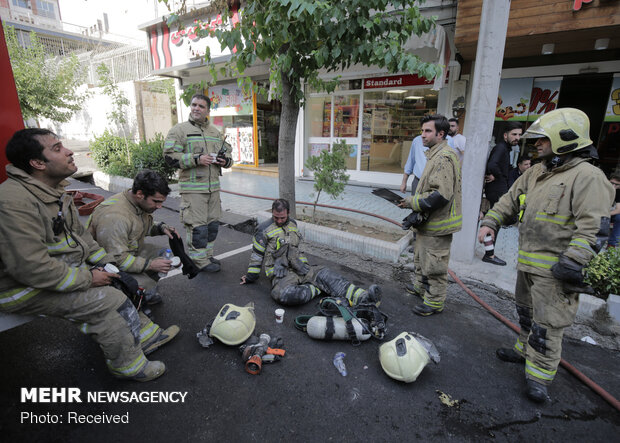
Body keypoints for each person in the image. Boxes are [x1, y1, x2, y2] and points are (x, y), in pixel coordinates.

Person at [0, 129, 179, 382]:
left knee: (118, 282)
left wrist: (106, 267)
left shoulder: (54, 193)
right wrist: (88, 278)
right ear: (37, 163)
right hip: (21, 287)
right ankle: (128, 365)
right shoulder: (14, 202)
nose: (69, 151)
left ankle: (147, 336)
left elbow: (82, 239)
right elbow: (30, 269)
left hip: (60, 270)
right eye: (57, 148)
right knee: (107, 300)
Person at [477, 108, 614, 403]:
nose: (536, 144)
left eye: (542, 139)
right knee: (526, 314)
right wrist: (490, 221)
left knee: (547, 325)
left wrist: (574, 262)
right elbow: (509, 200)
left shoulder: (588, 177)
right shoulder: (538, 172)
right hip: (528, 263)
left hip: (557, 271)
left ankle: (539, 376)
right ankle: (524, 351)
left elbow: (594, 228)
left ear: (565, 139)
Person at [240, 199, 381, 306]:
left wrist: (303, 265)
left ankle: (364, 297)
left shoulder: (293, 224)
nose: (279, 220)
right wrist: (251, 277)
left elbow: (296, 248)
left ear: (288, 213)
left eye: (282, 217)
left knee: (328, 275)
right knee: (282, 295)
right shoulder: (263, 229)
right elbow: (256, 256)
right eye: (276, 217)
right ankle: (317, 288)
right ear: (272, 213)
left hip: (301, 268)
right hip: (282, 274)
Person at [398, 115, 462, 317]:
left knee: (434, 264)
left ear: (440, 134)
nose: (422, 135)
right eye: (422, 130)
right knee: (421, 258)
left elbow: (440, 195)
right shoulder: (434, 154)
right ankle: (420, 287)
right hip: (429, 222)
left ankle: (434, 302)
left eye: (427, 131)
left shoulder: (443, 158)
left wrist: (411, 202)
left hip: (439, 224)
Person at [164, 93, 233, 273]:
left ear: (208, 110)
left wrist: (224, 161)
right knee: (198, 228)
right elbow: (169, 157)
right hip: (193, 190)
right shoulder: (179, 130)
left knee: (212, 226)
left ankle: (206, 256)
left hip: (213, 189)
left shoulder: (214, 132)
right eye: (194, 105)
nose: (196, 108)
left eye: (201, 106)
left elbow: (229, 156)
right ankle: (198, 261)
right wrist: (196, 159)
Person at [87, 170, 179, 305]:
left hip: (126, 252)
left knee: (164, 256)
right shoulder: (115, 217)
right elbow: (115, 259)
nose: (160, 207)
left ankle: (143, 294)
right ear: (140, 194)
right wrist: (150, 265)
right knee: (144, 281)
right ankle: (131, 300)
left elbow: (138, 226)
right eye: (156, 201)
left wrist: (160, 228)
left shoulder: (135, 202)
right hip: (107, 265)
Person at [482, 121, 523, 266]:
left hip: (498, 188)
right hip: (497, 190)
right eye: (514, 134)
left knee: (494, 222)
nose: (517, 137)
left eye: (519, 134)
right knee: (494, 222)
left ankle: (489, 253)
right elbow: (492, 164)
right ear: (506, 135)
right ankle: (489, 254)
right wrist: (497, 175)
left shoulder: (505, 148)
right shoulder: (500, 148)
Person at [608, 172, 620, 248]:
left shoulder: (618, 192)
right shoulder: (601, 187)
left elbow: (618, 210)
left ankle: (611, 244)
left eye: (616, 184)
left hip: (609, 213)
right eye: (612, 183)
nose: (613, 186)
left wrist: (604, 213)